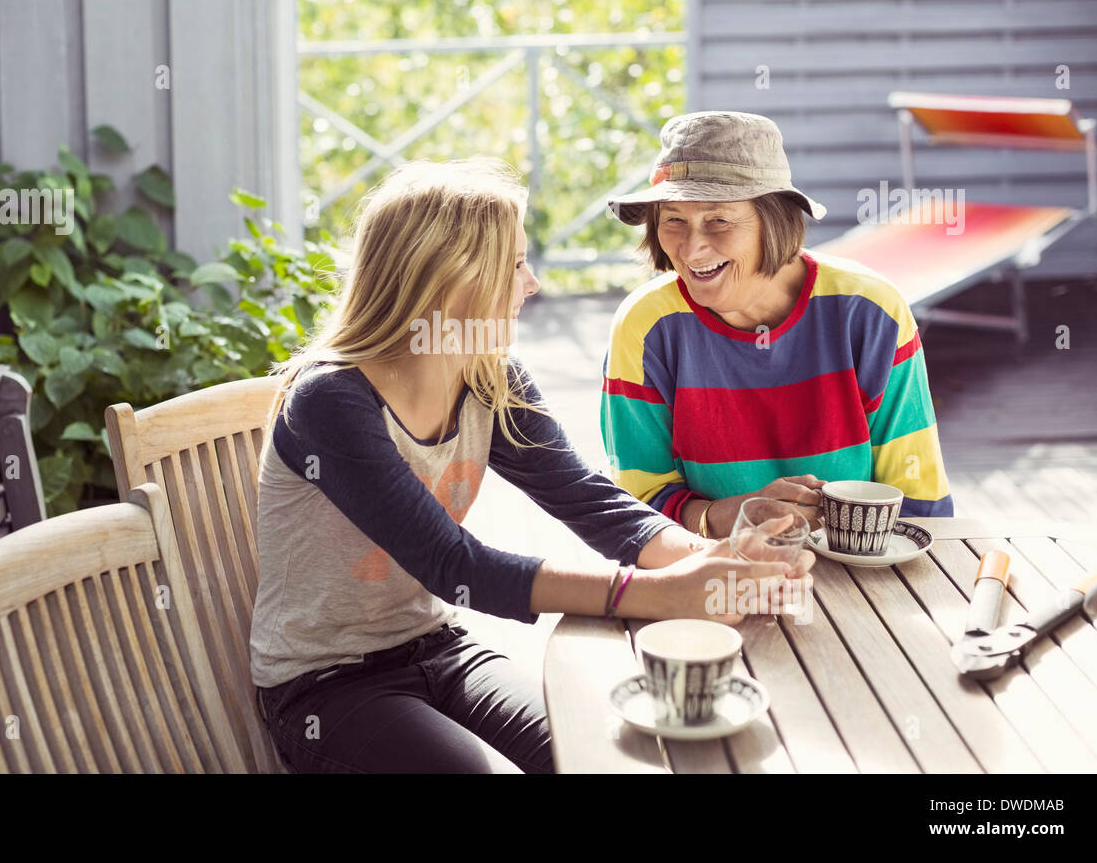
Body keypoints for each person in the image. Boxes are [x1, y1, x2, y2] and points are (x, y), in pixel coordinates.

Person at [249, 157, 812, 774]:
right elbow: (452, 563)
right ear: (447, 278)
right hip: (328, 687)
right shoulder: (331, 401)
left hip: (442, 652)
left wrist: (710, 561)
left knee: (599, 755)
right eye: (515, 264)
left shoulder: (489, 377)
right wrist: (658, 595)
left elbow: (587, 498)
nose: (533, 283)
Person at [601, 110, 954, 540]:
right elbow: (636, 512)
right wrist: (720, 517)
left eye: (719, 220)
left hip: (867, 570)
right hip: (707, 578)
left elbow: (919, 506)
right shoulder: (646, 328)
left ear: (776, 220)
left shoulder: (869, 311)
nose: (692, 248)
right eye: (673, 219)